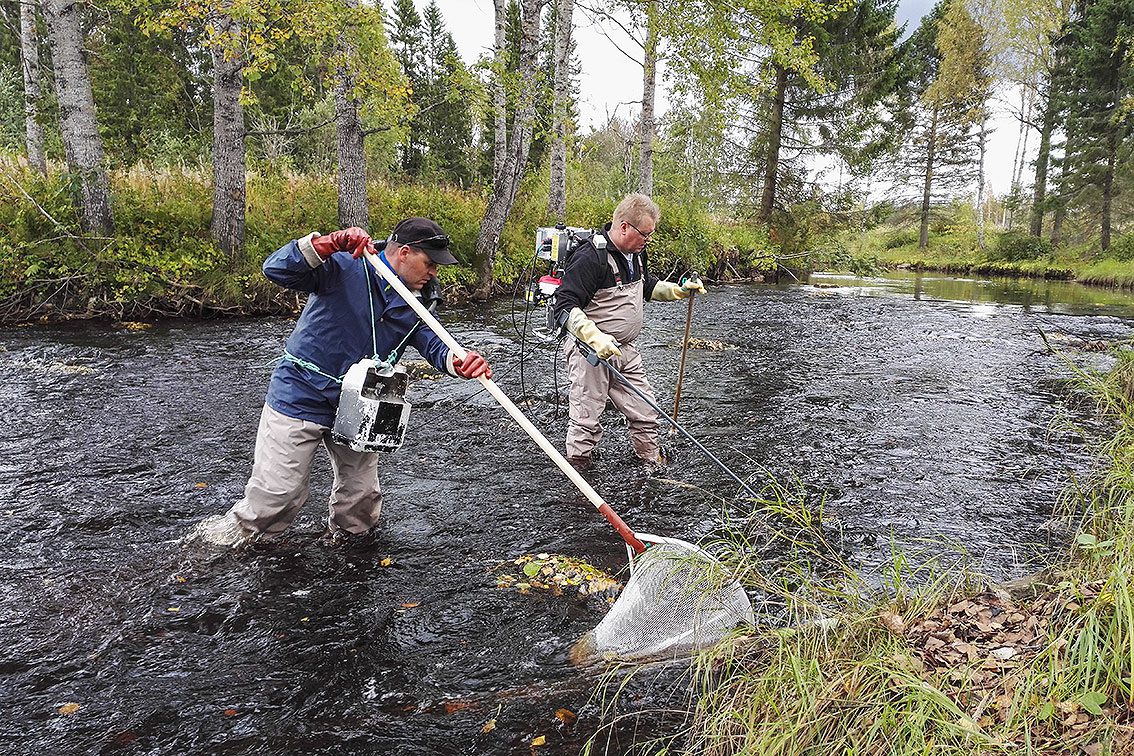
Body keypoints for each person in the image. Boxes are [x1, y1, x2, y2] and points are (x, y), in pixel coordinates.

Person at [193, 217, 492, 547]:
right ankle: (215, 548)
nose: (434, 272)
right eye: (430, 263)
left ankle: (349, 552)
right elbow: (276, 269)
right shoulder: (345, 265)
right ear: (404, 253)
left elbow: (435, 344)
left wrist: (459, 361)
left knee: (361, 499)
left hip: (362, 404)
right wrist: (327, 243)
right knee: (279, 495)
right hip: (301, 392)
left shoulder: (416, 302)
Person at [551, 193, 705, 470]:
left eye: (650, 235)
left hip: (626, 351)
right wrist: (593, 336)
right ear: (624, 227)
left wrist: (678, 291)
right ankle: (579, 480)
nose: (648, 240)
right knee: (586, 422)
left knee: (647, 413)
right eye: (645, 234)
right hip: (590, 354)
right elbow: (563, 305)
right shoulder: (590, 257)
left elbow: (645, 286)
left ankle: (650, 466)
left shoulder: (636, 252)